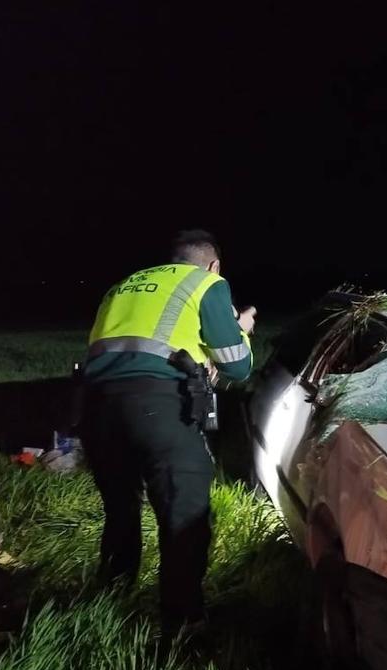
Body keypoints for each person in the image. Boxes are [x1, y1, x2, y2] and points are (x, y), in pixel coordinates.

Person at [81, 230, 257, 639]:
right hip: (157, 408)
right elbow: (237, 367)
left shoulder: (124, 285)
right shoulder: (207, 283)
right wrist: (241, 328)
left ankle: (110, 606)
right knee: (184, 516)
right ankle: (182, 626)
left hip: (96, 409)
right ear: (212, 265)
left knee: (120, 512)